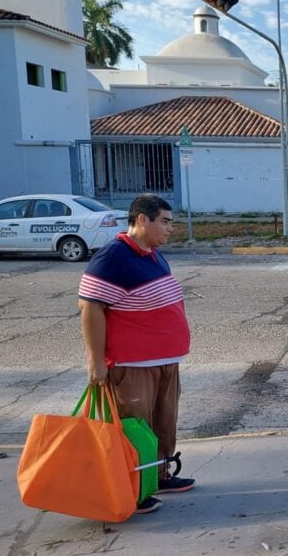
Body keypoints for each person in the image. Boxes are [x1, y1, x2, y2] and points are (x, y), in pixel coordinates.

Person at [78, 193, 194, 515]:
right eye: (165, 221)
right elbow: (90, 309)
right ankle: (133, 489)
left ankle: (158, 475)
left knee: (163, 423)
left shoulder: (153, 253)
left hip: (165, 361)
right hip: (132, 366)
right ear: (142, 220)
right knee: (135, 427)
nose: (171, 228)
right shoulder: (113, 257)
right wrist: (96, 360)